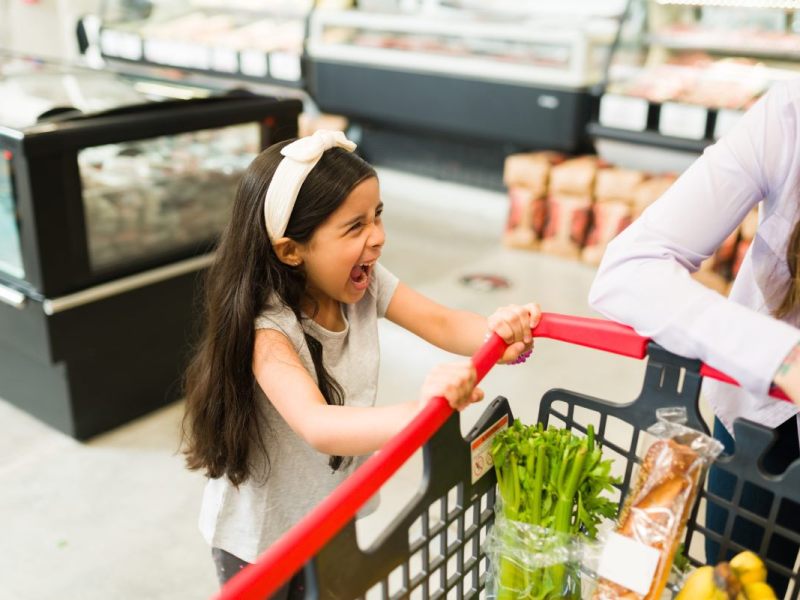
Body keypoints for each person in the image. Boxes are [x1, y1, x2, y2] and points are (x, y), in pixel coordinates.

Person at [181, 130, 540, 595]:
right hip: (261, 540)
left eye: (378, 216)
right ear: (291, 250)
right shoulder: (268, 331)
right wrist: (422, 412)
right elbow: (318, 424)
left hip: (331, 516)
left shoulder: (364, 286)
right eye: (355, 227)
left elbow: (441, 321)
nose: (378, 238)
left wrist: (498, 333)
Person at [589, 80, 800, 594]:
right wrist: (783, 356)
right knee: (737, 580)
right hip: (762, 420)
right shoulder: (790, 114)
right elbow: (629, 270)